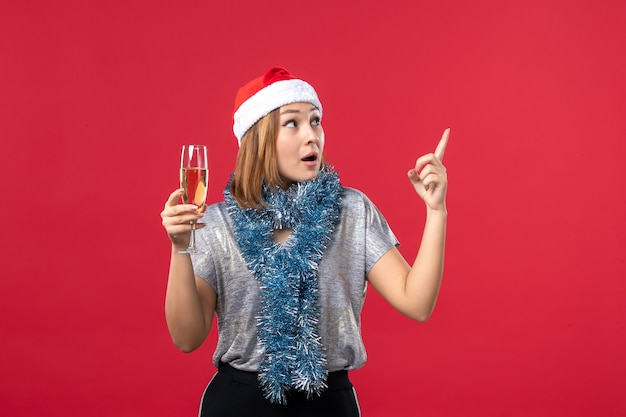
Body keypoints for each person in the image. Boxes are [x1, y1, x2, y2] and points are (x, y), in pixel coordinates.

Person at [160, 67, 449, 417]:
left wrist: (436, 212)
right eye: (293, 123)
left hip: (328, 404)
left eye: (315, 121)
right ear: (258, 138)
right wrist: (181, 247)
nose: (312, 136)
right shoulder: (216, 222)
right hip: (239, 404)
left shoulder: (351, 211)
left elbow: (416, 303)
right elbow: (186, 338)